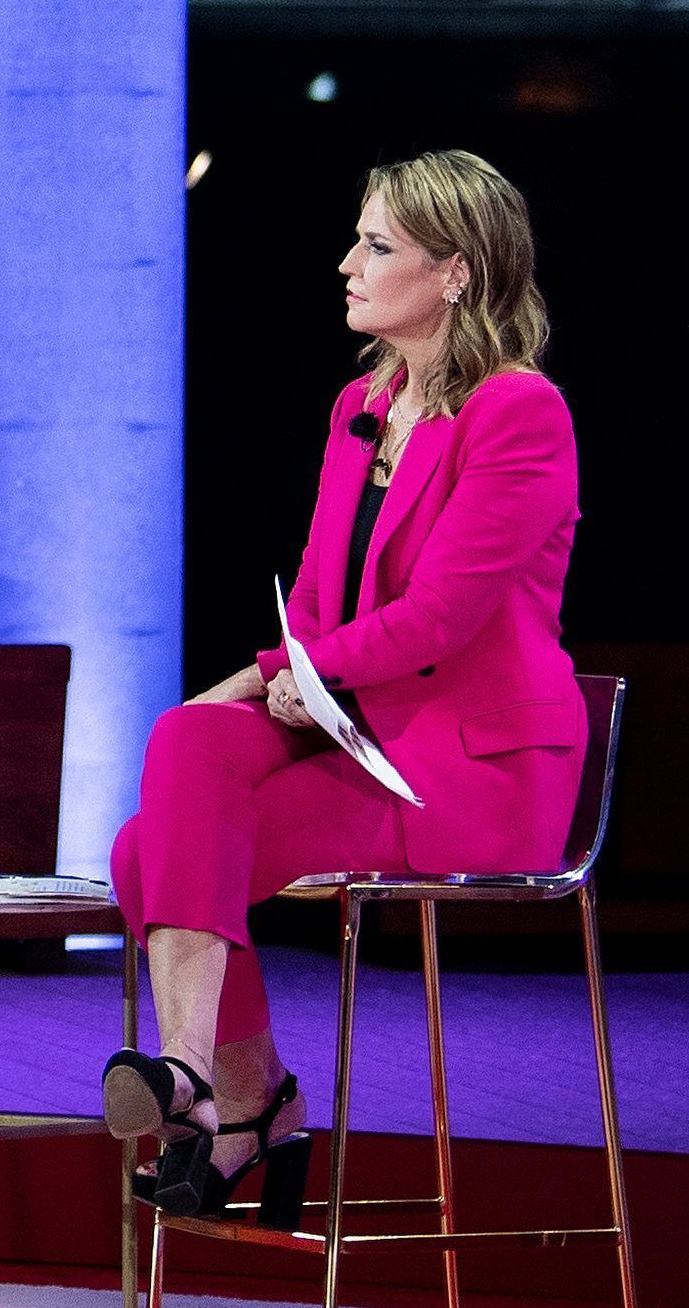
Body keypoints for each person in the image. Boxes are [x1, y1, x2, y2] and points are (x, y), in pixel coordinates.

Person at [101, 149, 582, 1222]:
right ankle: (209, 1079)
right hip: (363, 728)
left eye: (376, 245)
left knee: (151, 854)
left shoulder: (520, 413)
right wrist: (258, 679)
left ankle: (238, 1101)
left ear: (455, 272)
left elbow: (443, 619)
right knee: (183, 749)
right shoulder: (361, 406)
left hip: (471, 769)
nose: (345, 265)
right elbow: (320, 599)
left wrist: (287, 675)